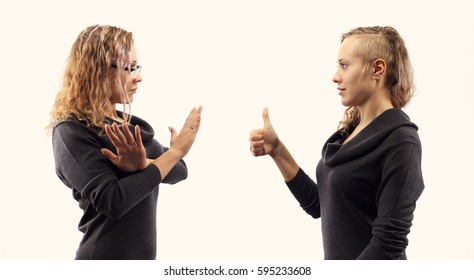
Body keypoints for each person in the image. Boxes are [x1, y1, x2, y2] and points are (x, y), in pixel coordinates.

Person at [249, 26, 424, 260]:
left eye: (344, 65)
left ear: (377, 69)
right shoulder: (351, 132)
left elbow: (388, 245)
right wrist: (277, 150)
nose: (335, 76)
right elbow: (320, 205)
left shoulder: (401, 141)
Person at [48, 24, 202, 260]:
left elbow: (179, 171)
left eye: (136, 67)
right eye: (129, 68)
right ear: (97, 70)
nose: (138, 77)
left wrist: (143, 164)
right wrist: (174, 152)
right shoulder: (71, 131)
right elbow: (113, 200)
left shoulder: (132, 126)